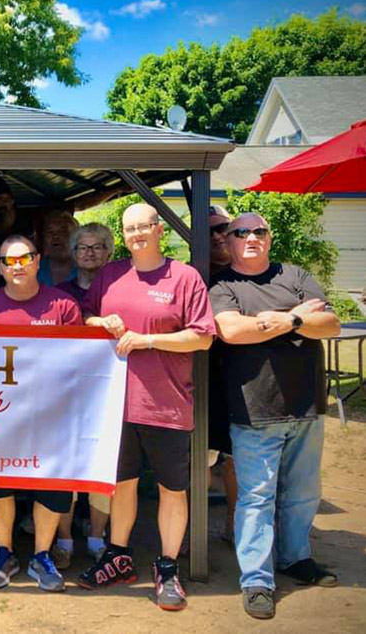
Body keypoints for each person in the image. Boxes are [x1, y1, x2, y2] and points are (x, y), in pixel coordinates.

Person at [77, 203, 215, 612]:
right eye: (130, 228)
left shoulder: (184, 276)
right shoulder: (111, 274)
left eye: (144, 227)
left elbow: (203, 337)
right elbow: (85, 316)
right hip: (116, 405)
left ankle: (168, 567)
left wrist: (147, 340)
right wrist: (101, 323)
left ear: (159, 230)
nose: (137, 234)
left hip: (167, 405)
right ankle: (118, 556)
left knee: (173, 491)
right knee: (122, 484)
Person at [210, 213, 340, 619]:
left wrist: (289, 319)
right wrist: (299, 320)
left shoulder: (296, 274)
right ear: (228, 242)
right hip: (253, 408)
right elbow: (232, 332)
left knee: (303, 493)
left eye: (259, 231)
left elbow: (330, 324)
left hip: (306, 405)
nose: (251, 238)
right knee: (256, 498)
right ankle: (257, 580)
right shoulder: (222, 285)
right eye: (241, 232)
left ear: (270, 237)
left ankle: (295, 558)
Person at [0, 235, 83, 592]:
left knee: (50, 485)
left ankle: (42, 556)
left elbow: (80, 361)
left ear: (37, 261)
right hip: (0, 415)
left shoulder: (63, 306)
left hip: (52, 415)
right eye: (9, 261)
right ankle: (5, 553)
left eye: (24, 259)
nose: (17, 267)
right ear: (0, 267)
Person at [54, 222, 114, 565]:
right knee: (66, 467)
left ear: (108, 252)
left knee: (101, 464)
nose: (89, 253)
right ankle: (63, 538)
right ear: (73, 254)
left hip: (106, 392)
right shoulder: (60, 294)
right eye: (82, 247)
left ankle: (96, 536)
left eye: (97, 246)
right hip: (66, 394)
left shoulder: (120, 290)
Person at [206, 204, 237, 545]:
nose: (216, 236)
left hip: (244, 381)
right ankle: (190, 532)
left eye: (222, 228)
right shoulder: (193, 276)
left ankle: (233, 525)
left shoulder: (252, 273)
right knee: (199, 458)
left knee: (235, 459)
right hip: (202, 378)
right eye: (209, 231)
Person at [36, 210, 79, 287]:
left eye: (63, 231)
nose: (55, 236)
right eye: (49, 232)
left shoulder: (87, 269)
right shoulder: (34, 270)